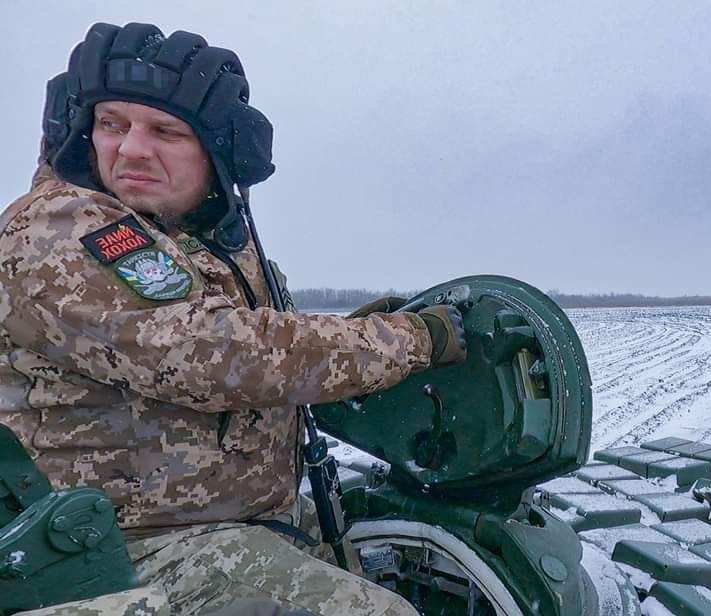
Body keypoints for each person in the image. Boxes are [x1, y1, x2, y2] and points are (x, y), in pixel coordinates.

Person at [0, 22, 467, 616]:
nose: (132, 149)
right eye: (112, 124)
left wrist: (344, 339)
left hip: (235, 517)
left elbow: (257, 338)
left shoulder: (195, 232)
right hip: (132, 544)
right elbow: (212, 353)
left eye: (166, 131)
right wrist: (408, 341)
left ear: (220, 151)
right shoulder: (62, 228)